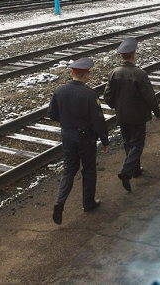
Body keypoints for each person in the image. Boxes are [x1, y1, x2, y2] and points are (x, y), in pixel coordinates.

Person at [47, 57, 110, 225]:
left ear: (72, 73)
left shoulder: (59, 91)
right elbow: (98, 120)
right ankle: (88, 203)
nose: (89, 76)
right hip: (86, 138)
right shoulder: (90, 94)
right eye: (88, 73)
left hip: (67, 137)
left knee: (69, 170)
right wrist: (105, 140)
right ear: (84, 75)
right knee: (88, 170)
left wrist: (67, 122)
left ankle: (59, 202)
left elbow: (52, 115)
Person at [103, 37, 160, 192]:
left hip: (122, 116)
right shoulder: (140, 74)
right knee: (138, 144)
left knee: (128, 142)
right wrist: (156, 111)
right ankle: (126, 171)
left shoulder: (114, 73)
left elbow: (107, 96)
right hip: (138, 116)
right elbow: (149, 96)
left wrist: (117, 106)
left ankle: (135, 170)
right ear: (133, 54)